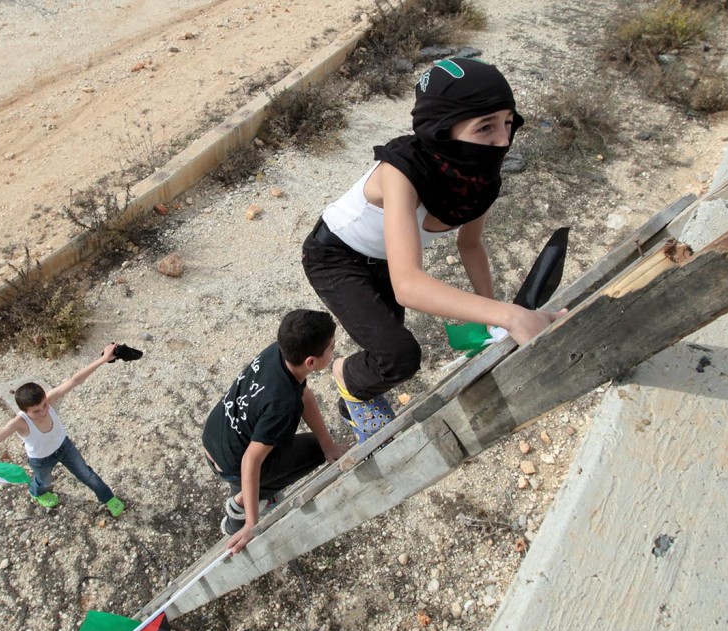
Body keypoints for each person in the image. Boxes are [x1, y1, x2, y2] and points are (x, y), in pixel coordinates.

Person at [301, 57, 564, 439]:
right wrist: (510, 315)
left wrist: (490, 319)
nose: (503, 141)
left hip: (385, 260)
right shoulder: (400, 173)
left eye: (508, 123)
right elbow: (408, 285)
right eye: (485, 127)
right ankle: (344, 374)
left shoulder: (478, 182)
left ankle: (352, 397)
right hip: (335, 256)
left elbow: (470, 245)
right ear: (442, 130)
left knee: (388, 355)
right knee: (399, 356)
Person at [203, 309, 350, 553]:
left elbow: (304, 394)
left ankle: (248, 494)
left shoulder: (277, 352)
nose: (334, 352)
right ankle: (240, 509)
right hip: (233, 463)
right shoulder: (283, 405)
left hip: (216, 435)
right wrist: (252, 524)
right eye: (331, 349)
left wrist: (329, 445)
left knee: (318, 444)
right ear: (310, 362)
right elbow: (251, 459)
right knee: (312, 450)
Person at [0, 343, 125, 517]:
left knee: (86, 474)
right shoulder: (20, 422)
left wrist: (103, 359)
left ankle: (108, 498)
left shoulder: (50, 399)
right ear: (25, 411)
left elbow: (74, 380)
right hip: (41, 459)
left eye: (44, 406)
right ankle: (36, 492)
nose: (43, 412)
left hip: (64, 446)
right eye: (36, 411)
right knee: (43, 482)